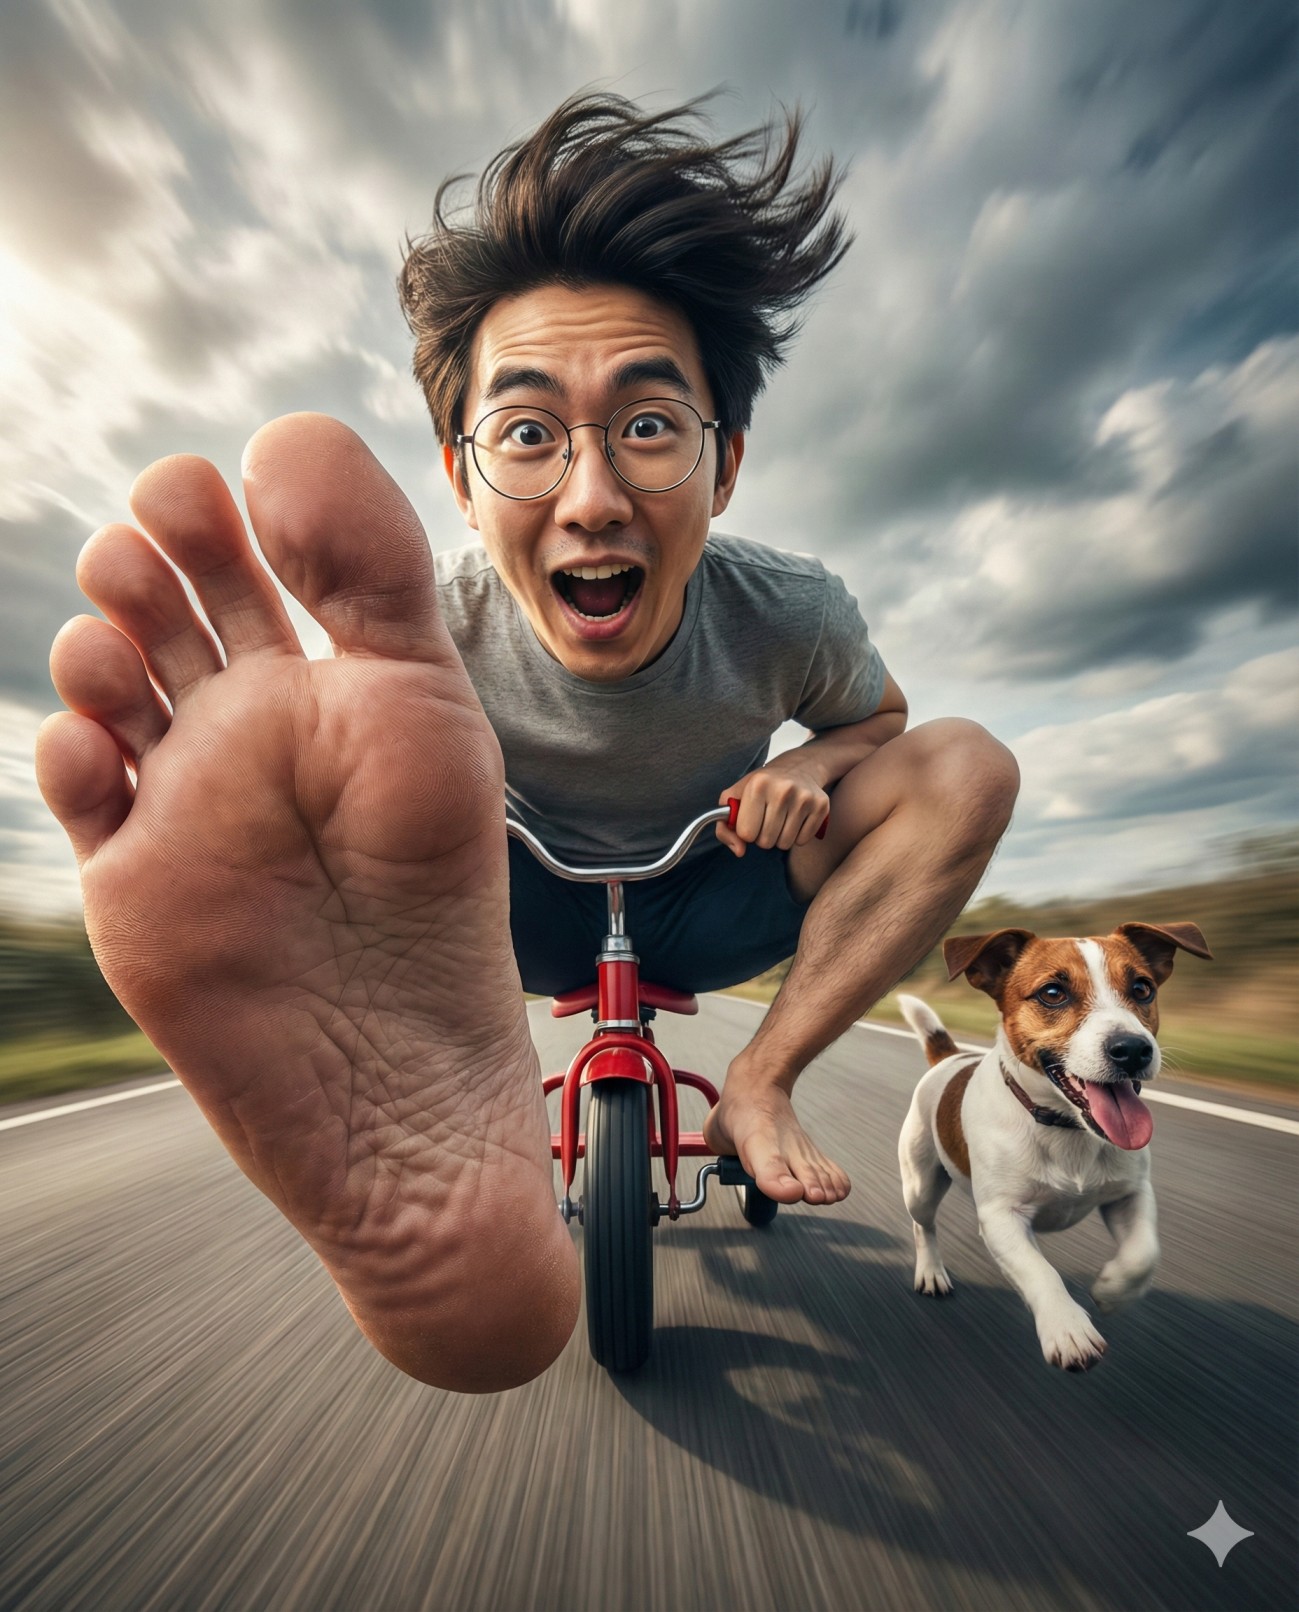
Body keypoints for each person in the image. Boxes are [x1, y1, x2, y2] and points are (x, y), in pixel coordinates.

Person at [35, 94, 1018, 1394]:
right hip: (492, 907)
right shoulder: (416, 634)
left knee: (968, 763)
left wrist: (811, 764)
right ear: (459, 474)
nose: (595, 497)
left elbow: (883, 722)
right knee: (364, 787)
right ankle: (409, 1051)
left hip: (710, 888)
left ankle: (760, 1086)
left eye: (652, 427)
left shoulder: (791, 610)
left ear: (723, 470)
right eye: (529, 434)